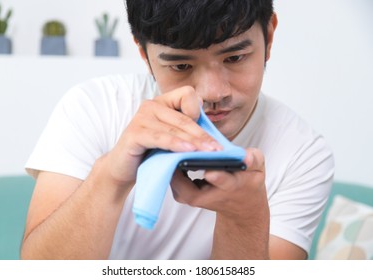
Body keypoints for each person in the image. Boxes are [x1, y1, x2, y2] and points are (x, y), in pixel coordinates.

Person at [21, 0, 334, 260]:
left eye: (235, 57)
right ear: (144, 55)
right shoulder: (94, 107)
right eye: (181, 66)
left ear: (269, 36)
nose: (212, 92)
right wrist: (111, 176)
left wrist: (244, 218)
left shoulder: (304, 154)